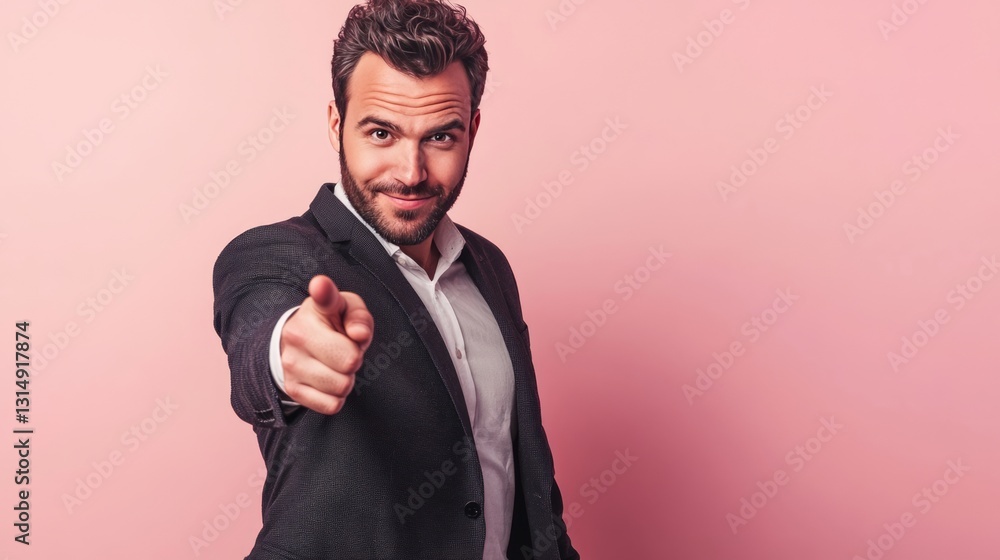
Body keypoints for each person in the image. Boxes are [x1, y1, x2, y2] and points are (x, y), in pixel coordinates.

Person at [212, 1, 580, 558]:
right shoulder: (275, 255)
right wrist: (287, 350)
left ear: (472, 130)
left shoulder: (490, 267)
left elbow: (521, 470)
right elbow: (260, 334)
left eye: (440, 138)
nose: (410, 172)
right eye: (381, 133)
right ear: (337, 124)